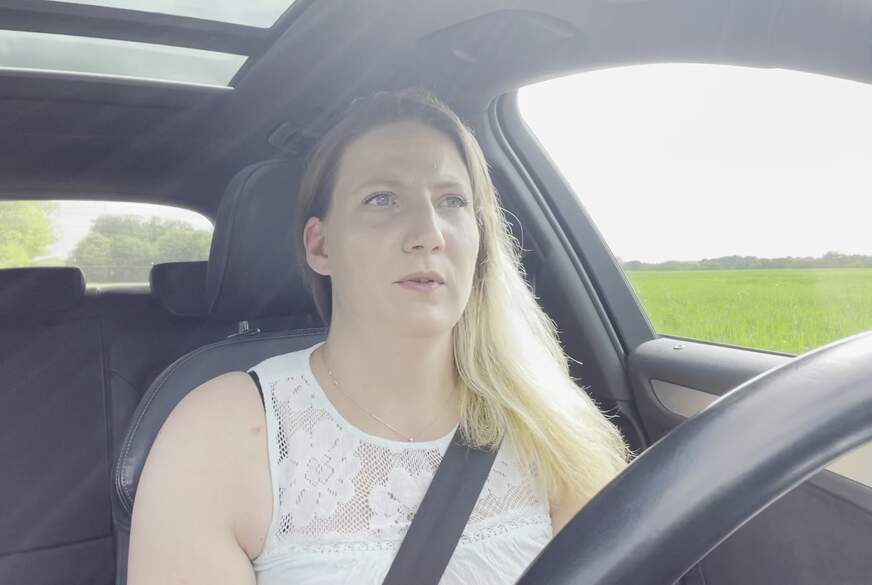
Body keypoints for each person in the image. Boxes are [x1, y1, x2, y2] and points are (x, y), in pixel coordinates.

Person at [127, 89, 631, 585]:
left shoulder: (547, 417)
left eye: (452, 201)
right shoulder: (222, 431)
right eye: (382, 199)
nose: (428, 233)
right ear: (320, 246)